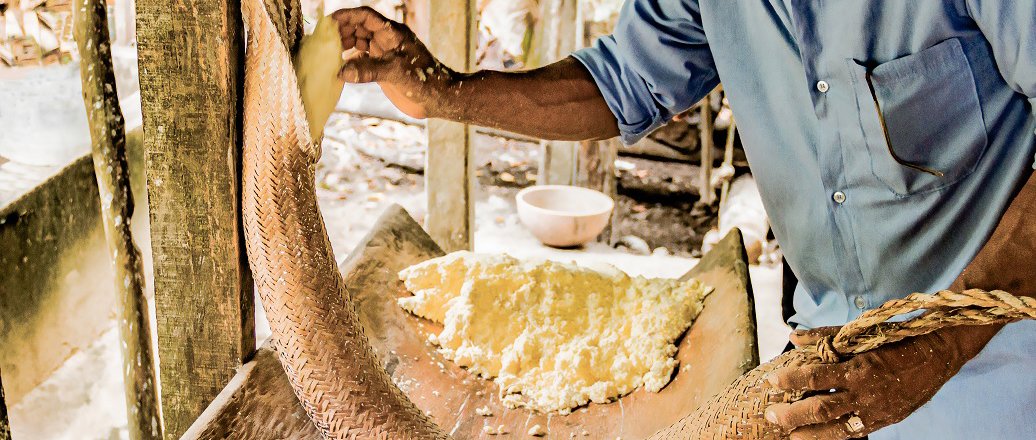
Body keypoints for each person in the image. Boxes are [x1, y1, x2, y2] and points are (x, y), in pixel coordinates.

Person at [328, 2, 1036, 438]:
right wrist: (443, 93)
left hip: (1003, 373)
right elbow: (622, 82)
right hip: (830, 360)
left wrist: (934, 348)